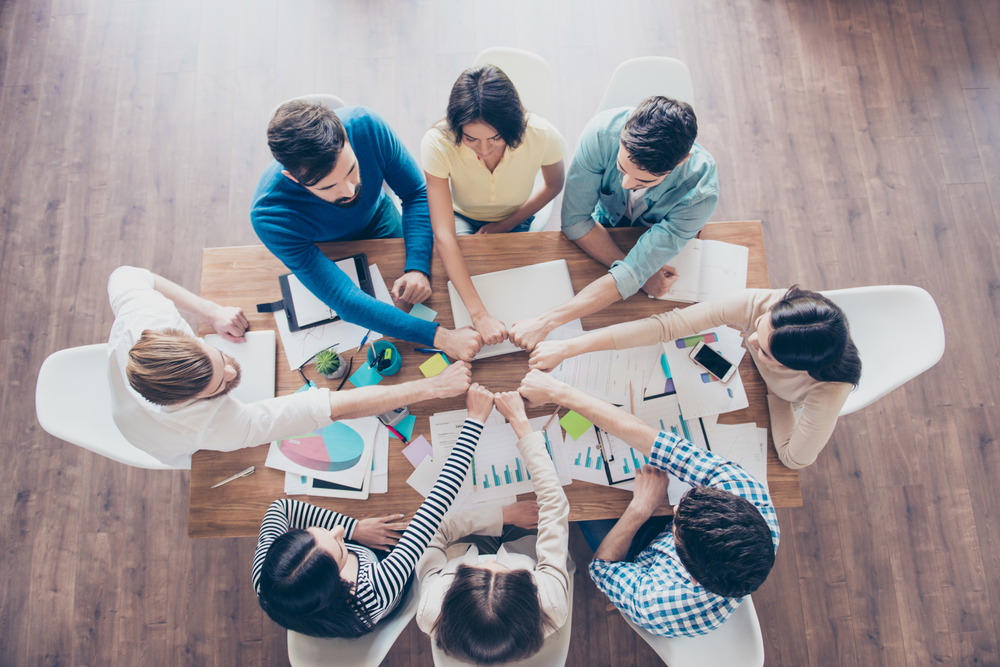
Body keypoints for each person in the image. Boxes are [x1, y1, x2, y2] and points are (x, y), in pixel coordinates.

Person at [107, 266, 473, 467]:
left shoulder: (147, 321)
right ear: (188, 402)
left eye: (218, 360)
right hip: (155, 440)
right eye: (219, 386)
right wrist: (433, 387)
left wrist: (211, 311)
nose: (233, 373)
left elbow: (126, 274)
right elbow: (332, 406)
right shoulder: (215, 427)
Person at [517, 370, 779, 637]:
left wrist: (640, 509)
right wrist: (557, 391)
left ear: (692, 576)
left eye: (677, 523)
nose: (675, 508)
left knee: (583, 506)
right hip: (691, 550)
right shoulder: (748, 495)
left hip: (641, 557)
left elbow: (603, 569)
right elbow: (662, 445)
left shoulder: (657, 604)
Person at [253, 384, 495, 638]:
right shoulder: (375, 591)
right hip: (391, 583)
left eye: (319, 532)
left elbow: (281, 508)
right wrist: (475, 420)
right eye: (339, 546)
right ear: (337, 580)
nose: (338, 531)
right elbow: (437, 502)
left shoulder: (266, 578)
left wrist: (355, 529)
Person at [527, 287, 862, 469]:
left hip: (763, 403)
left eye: (764, 352)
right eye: (760, 326)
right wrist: (570, 347)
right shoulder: (766, 305)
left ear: (796, 368)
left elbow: (794, 459)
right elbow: (666, 326)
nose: (751, 340)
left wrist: (778, 396)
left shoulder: (829, 390)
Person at [251, 100, 483, 361]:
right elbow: (344, 299)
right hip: (325, 250)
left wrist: (417, 266)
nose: (350, 192)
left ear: (347, 137)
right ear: (293, 179)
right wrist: (441, 337)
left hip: (381, 218)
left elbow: (416, 193)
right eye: (328, 187)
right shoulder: (269, 214)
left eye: (351, 170)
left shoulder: (367, 127)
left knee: (418, 296)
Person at [508, 95, 719, 352]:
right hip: (604, 227)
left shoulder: (701, 194)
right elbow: (575, 222)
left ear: (681, 162)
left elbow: (632, 272)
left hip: (656, 247)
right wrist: (638, 274)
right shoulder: (599, 134)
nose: (626, 184)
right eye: (622, 168)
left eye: (643, 181)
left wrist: (545, 322)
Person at [416, 391, 570, 664]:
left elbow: (432, 529)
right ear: (530, 591)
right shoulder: (551, 604)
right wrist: (521, 425)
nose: (491, 560)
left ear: (451, 591)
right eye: (508, 570)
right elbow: (554, 506)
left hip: (465, 540)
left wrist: (502, 515)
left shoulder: (431, 608)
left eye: (476, 568)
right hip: (526, 546)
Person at [422, 65, 567, 346]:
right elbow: (443, 234)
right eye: (471, 139)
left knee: (517, 285)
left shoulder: (540, 134)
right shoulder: (438, 142)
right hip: (460, 216)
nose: (484, 150)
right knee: (465, 285)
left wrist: (506, 225)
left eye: (496, 138)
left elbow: (553, 185)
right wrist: (479, 316)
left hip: (516, 216)